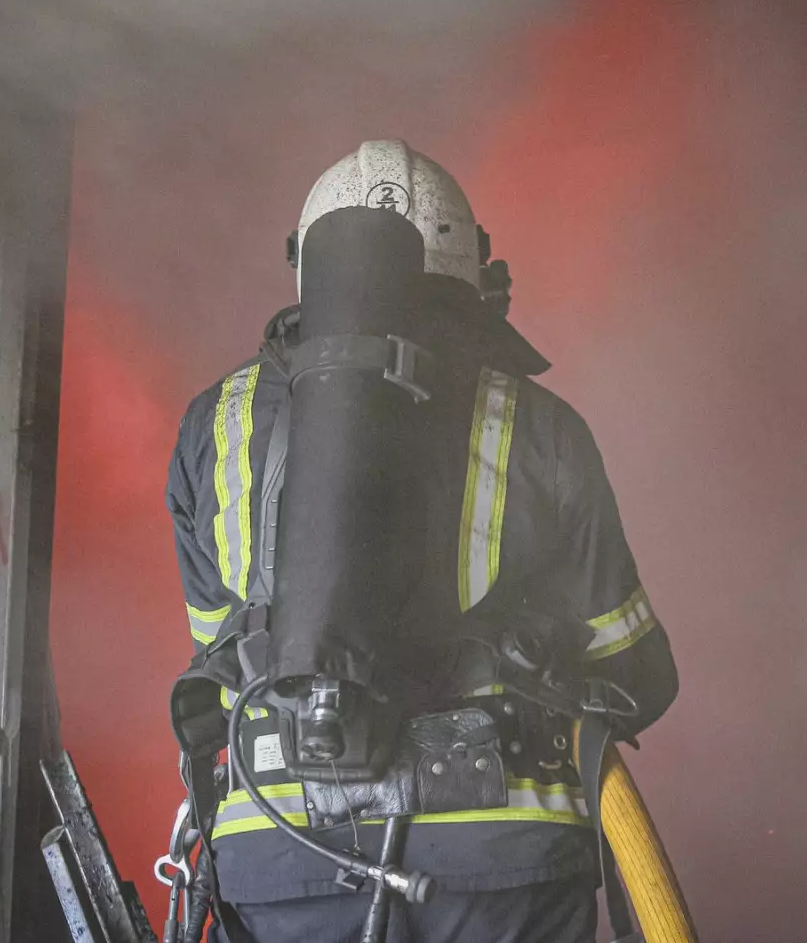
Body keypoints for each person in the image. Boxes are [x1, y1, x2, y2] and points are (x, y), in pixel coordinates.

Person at [166, 140, 677, 943]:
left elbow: (224, 666)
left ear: (305, 267)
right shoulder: (536, 424)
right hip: (499, 860)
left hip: (278, 858)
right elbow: (634, 667)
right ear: (470, 267)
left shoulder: (214, 427)